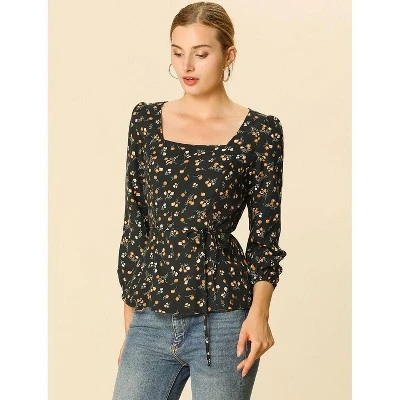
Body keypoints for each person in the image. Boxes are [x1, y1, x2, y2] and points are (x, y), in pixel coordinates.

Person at [112, 2, 287, 399]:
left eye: (201, 53)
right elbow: (136, 224)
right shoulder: (145, 121)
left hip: (225, 320)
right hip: (151, 315)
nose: (186, 66)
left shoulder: (261, 132)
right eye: (177, 53)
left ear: (229, 55)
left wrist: (259, 314)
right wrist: (133, 321)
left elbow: (264, 238)